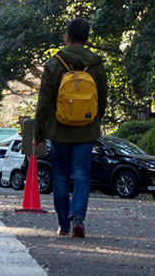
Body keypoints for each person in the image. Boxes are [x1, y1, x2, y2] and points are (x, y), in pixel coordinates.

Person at [33, 17, 107, 238]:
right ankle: (78, 219)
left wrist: (39, 134)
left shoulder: (54, 63)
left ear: (66, 36)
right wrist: (95, 121)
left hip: (59, 130)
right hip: (86, 130)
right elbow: (101, 99)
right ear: (87, 38)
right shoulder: (96, 64)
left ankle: (63, 226)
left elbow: (44, 102)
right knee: (82, 173)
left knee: (61, 176)